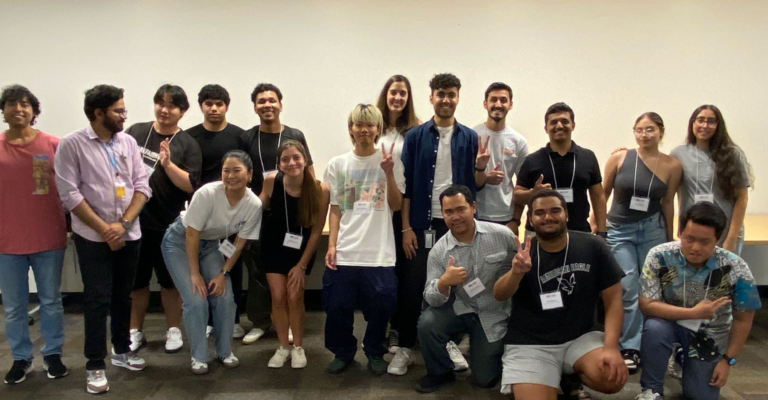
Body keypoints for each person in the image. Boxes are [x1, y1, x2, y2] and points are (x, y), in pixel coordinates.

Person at [55, 85, 151, 394]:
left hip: (128, 232)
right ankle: (95, 365)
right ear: (98, 113)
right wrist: (104, 230)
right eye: (118, 111)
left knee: (124, 295)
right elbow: (70, 195)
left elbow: (142, 186)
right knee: (97, 300)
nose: (124, 116)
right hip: (92, 237)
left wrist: (121, 226)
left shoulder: (128, 142)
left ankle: (122, 350)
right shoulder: (72, 144)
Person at [494, 189, 627, 399]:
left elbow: (614, 300)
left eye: (555, 210)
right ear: (530, 219)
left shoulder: (593, 246)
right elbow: (499, 294)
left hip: (581, 338)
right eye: (540, 213)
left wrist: (611, 347)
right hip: (531, 344)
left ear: (566, 214)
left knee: (612, 377)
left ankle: (569, 374)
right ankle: (552, 377)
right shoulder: (520, 252)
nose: (548, 217)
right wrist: (516, 273)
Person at [636, 202, 761, 400]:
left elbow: (744, 319)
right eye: (689, 239)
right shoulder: (659, 256)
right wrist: (693, 313)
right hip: (669, 324)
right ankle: (651, 390)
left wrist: (728, 361)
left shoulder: (736, 266)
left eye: (705, 242)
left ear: (717, 239)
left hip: (710, 333)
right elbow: (646, 304)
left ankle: (683, 358)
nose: (695, 247)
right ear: (679, 232)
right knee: (654, 328)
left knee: (700, 395)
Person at [398, 73, 479, 374]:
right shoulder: (415, 136)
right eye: (440, 93)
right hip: (422, 223)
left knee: (456, 284)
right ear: (431, 97)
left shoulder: (469, 137)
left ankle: (450, 343)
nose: (446, 99)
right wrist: (406, 227)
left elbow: (473, 183)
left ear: (458, 97)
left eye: (451, 94)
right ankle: (405, 346)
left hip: (457, 223)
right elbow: (406, 186)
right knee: (414, 285)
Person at [161, 150, 262, 375]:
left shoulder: (253, 204)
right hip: (179, 242)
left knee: (225, 297)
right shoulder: (207, 193)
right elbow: (191, 235)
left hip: (210, 246)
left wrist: (223, 274)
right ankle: (199, 356)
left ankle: (224, 351)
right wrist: (195, 274)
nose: (231, 176)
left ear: (249, 174)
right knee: (196, 300)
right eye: (226, 170)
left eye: (237, 170)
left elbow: (239, 242)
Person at [322, 104, 403, 375]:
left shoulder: (389, 160)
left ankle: (374, 351)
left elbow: (395, 204)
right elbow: (335, 209)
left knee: (383, 305)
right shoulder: (337, 164)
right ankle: (343, 352)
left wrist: (389, 172)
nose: (364, 129)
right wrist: (332, 245)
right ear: (351, 129)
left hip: (379, 252)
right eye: (359, 124)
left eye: (370, 124)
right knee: (337, 307)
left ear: (378, 129)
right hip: (345, 250)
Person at [601, 112, 682, 372]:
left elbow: (668, 202)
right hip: (619, 230)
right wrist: (597, 226)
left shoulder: (672, 165)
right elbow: (602, 194)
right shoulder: (619, 157)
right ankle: (629, 347)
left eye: (649, 129)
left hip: (653, 230)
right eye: (639, 130)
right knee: (628, 285)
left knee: (652, 288)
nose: (643, 134)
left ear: (661, 131)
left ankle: (652, 343)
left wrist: (670, 238)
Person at [415, 185, 517, 393]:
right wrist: (444, 282)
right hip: (463, 306)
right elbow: (431, 298)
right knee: (427, 323)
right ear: (442, 214)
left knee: (484, 379)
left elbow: (521, 269)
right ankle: (440, 372)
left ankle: (480, 347)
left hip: (494, 311)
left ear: (473, 207)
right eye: (449, 212)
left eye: (461, 209)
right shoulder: (439, 251)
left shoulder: (502, 235)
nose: (456, 216)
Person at [126, 84, 202, 355]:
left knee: (170, 282)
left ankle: (173, 330)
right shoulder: (135, 132)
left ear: (182, 111)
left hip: (169, 225)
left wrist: (168, 164)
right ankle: (135, 331)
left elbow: (191, 186)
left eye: (171, 105)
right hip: (134, 222)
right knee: (137, 282)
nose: (164, 109)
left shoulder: (187, 143)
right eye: (160, 103)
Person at [0, 85, 68, 384]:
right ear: (3, 110)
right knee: (14, 306)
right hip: (7, 241)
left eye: (25, 103)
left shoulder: (54, 144)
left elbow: (71, 188)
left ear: (34, 110)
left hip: (48, 237)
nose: (19, 108)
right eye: (12, 103)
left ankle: (53, 355)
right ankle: (21, 358)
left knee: (51, 300)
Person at [240, 83, 314, 345]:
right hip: (264, 214)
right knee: (261, 274)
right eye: (261, 101)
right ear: (255, 107)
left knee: (292, 284)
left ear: (280, 104)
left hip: (294, 216)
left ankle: (293, 327)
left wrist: (311, 208)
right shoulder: (248, 137)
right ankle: (261, 323)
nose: (267, 105)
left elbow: (310, 175)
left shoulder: (294, 134)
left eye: (272, 100)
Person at [260, 140, 330, 369]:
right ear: (279, 164)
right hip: (273, 247)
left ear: (305, 160)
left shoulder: (320, 189)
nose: (291, 163)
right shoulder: (271, 182)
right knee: (278, 296)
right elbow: (255, 208)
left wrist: (301, 265)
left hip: (302, 252)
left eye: (296, 157)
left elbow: (317, 230)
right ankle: (283, 346)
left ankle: (298, 346)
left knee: (295, 296)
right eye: (285, 159)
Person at [185, 84, 247, 339]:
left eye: (219, 104)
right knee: (205, 266)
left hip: (233, 215)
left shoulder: (240, 136)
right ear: (201, 106)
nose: (214, 108)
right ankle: (210, 319)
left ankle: (232, 319)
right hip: (203, 217)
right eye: (209, 103)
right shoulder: (189, 138)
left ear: (227, 106)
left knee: (232, 263)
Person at [375, 74, 421, 354]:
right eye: (393, 92)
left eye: (403, 93)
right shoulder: (372, 125)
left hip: (401, 206)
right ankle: (378, 327)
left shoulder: (415, 130)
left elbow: (415, 175)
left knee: (403, 273)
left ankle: (399, 328)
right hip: (374, 207)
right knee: (381, 271)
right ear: (386, 94)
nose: (397, 97)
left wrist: (405, 224)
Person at [513, 102, 606, 237]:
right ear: (546, 128)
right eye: (554, 122)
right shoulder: (532, 160)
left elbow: (598, 196)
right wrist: (533, 193)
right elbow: (517, 196)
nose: (559, 126)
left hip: (579, 232)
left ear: (573, 125)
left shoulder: (588, 157)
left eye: (564, 121)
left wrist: (602, 231)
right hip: (539, 234)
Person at [670, 105, 753, 255]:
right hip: (693, 233)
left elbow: (742, 198)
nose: (704, 125)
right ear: (692, 123)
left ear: (718, 126)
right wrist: (625, 153)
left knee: (723, 278)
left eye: (711, 121)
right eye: (700, 120)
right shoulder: (678, 154)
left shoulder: (733, 154)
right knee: (693, 278)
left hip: (724, 232)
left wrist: (731, 238)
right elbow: (657, 170)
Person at [472, 82, 529, 236]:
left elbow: (523, 186)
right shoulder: (471, 136)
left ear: (510, 104)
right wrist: (483, 176)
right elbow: (463, 181)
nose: (498, 104)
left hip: (507, 217)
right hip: (476, 216)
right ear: (485, 104)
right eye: (493, 100)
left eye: (503, 100)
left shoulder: (518, 141)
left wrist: (516, 220)